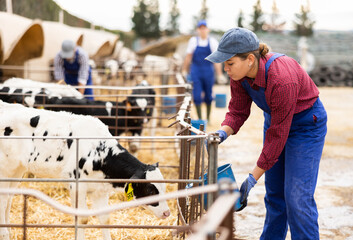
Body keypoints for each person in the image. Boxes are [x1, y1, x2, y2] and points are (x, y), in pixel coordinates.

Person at [206, 28, 327, 240]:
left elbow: (277, 137)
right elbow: (237, 111)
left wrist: (251, 179)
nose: (225, 69)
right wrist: (221, 133)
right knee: (275, 195)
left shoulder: (282, 79)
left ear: (250, 59)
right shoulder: (240, 76)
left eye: (230, 62)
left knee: (297, 197)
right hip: (277, 121)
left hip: (306, 126)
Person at [182, 20, 226, 122]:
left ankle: (208, 118)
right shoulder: (193, 41)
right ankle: (200, 119)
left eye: (204, 28)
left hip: (208, 71)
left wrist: (219, 74)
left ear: (208, 29)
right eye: (200, 28)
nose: (202, 30)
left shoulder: (212, 42)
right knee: (196, 96)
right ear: (198, 30)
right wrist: (184, 69)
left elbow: (216, 60)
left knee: (208, 95)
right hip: (196, 71)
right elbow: (188, 57)